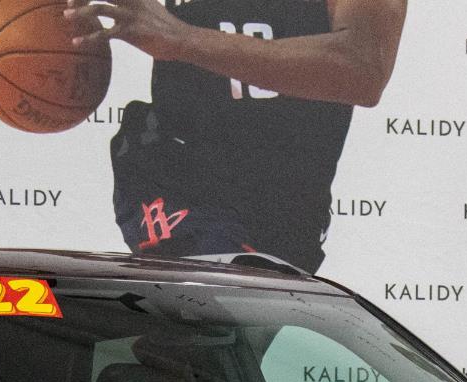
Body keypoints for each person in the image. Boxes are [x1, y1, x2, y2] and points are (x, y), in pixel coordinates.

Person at [66, 0, 406, 272]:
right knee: (199, 315)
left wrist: (182, 39)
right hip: (174, 176)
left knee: (207, 330)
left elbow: (362, 66)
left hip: (283, 204)